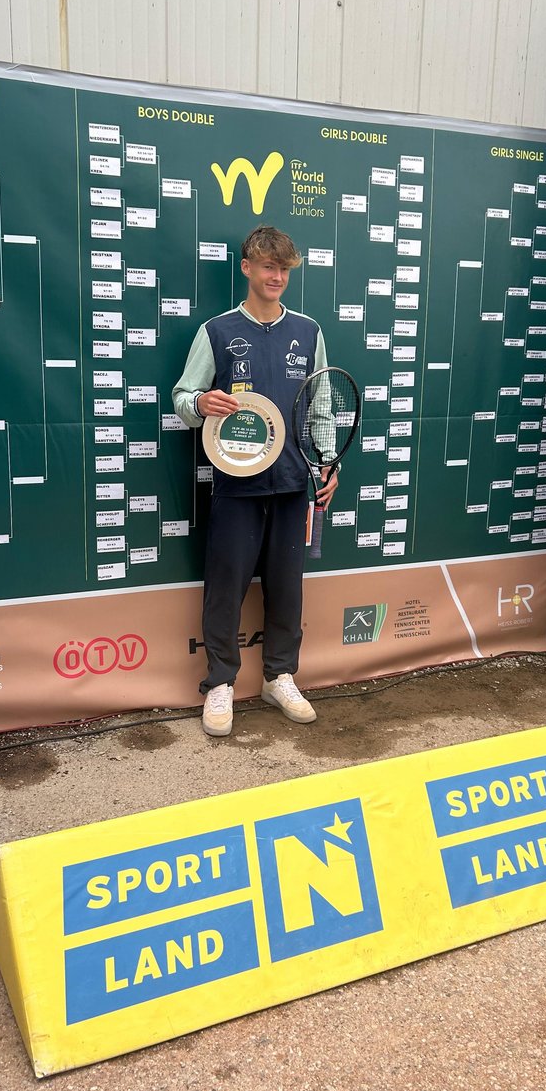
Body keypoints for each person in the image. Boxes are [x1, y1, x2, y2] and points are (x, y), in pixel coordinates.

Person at [172, 225, 338, 737]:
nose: (277, 277)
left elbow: (321, 407)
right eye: (269, 266)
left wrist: (328, 461)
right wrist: (200, 403)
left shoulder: (308, 331)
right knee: (225, 588)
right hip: (236, 484)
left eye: (284, 269)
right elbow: (182, 398)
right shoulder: (217, 331)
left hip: (292, 482)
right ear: (247, 268)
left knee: (287, 589)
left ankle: (279, 676)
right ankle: (220, 682)